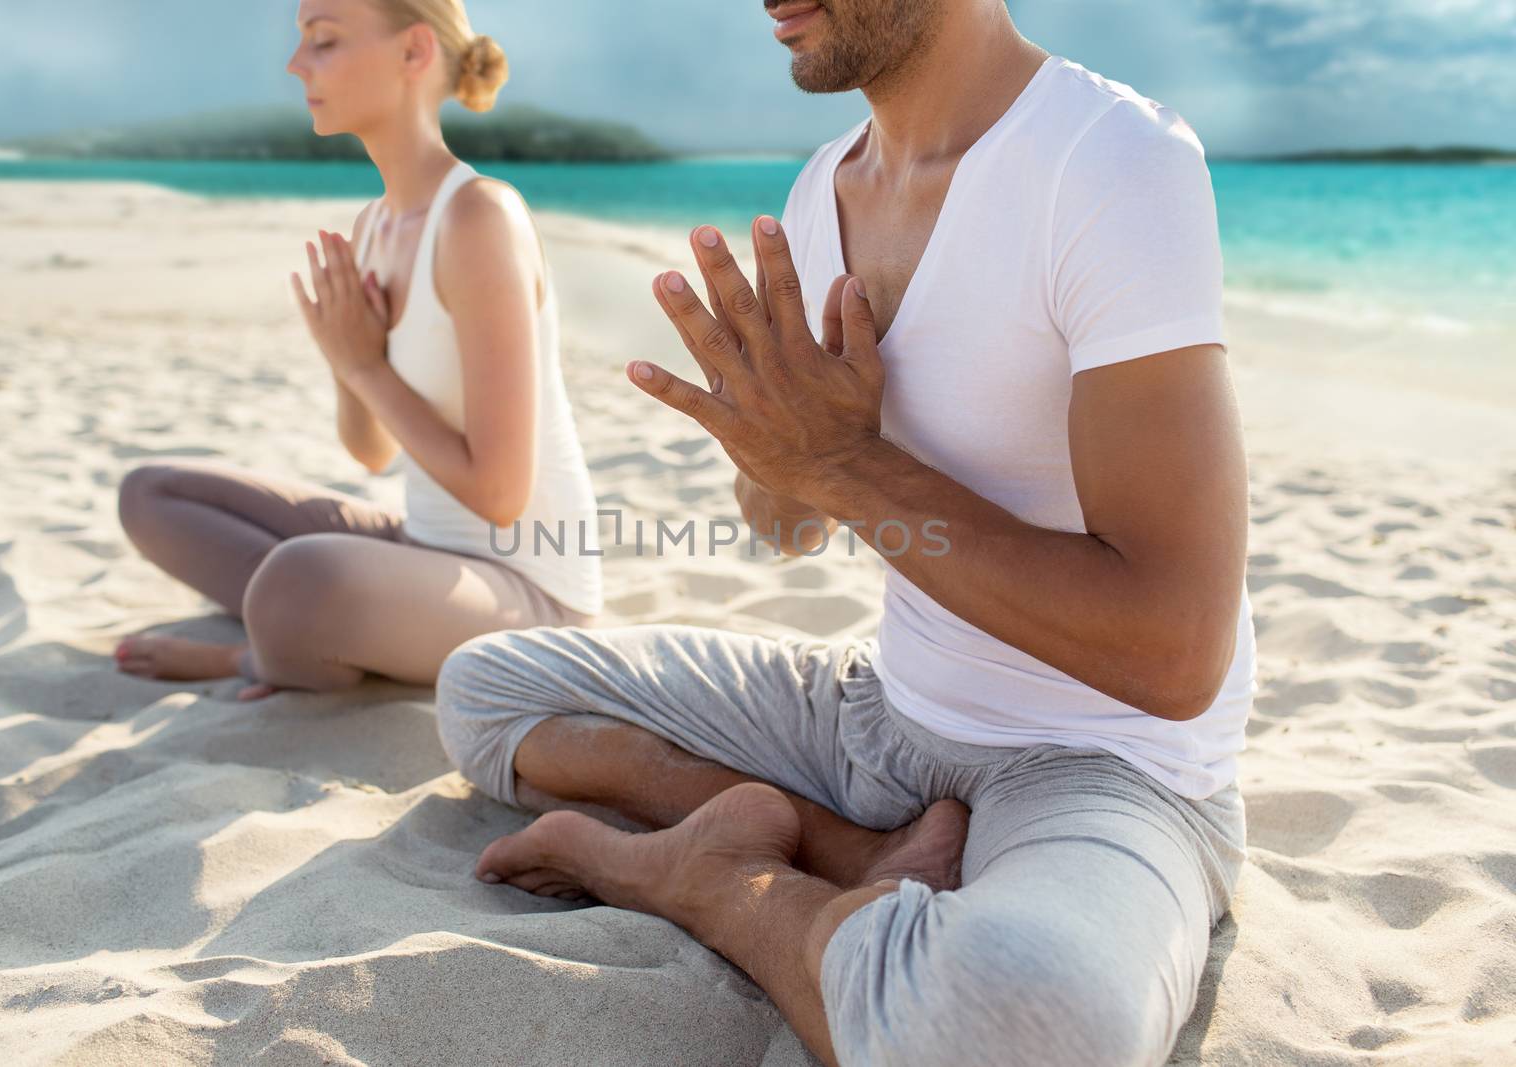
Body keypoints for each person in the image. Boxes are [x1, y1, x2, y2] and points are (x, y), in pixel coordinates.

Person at [435, 1, 1255, 1065]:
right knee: (488, 691)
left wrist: (843, 462)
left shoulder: (1108, 160)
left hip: (1099, 761)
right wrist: (783, 457)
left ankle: (712, 881)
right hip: (881, 714)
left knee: (1036, 1028)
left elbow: (1174, 649)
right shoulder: (823, 189)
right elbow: (785, 526)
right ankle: (853, 850)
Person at [115, 0, 602, 701]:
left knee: (300, 578)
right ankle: (309, 628)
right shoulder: (374, 224)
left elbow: (500, 494)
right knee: (151, 494)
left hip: (531, 591)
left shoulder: (478, 219)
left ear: (412, 54)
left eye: (323, 41)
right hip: (423, 552)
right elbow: (371, 452)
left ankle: (247, 658)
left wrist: (364, 365)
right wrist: (348, 366)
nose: (295, 64)